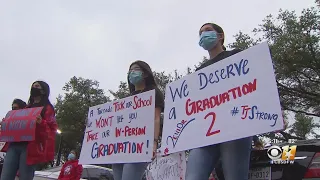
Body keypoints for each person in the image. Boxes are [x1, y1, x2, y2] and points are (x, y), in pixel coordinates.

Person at [185, 23, 253, 180]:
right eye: (200, 33)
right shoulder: (199, 72)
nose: (203, 35)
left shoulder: (236, 56)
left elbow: (252, 88)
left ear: (220, 36)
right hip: (205, 134)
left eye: (208, 30)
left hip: (235, 129)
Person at [112, 60, 164, 180]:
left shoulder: (154, 93)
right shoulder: (125, 100)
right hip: (120, 149)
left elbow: (156, 118)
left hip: (140, 146)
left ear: (145, 73)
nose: (131, 72)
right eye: (129, 70)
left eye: (135, 69)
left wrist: (154, 143)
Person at [1, 81, 56, 180]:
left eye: (37, 86)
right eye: (33, 86)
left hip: (29, 147)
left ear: (43, 91)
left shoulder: (48, 109)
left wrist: (41, 123)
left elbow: (50, 130)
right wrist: (7, 124)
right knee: (5, 176)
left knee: (25, 176)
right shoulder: (27, 108)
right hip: (14, 144)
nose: (34, 88)